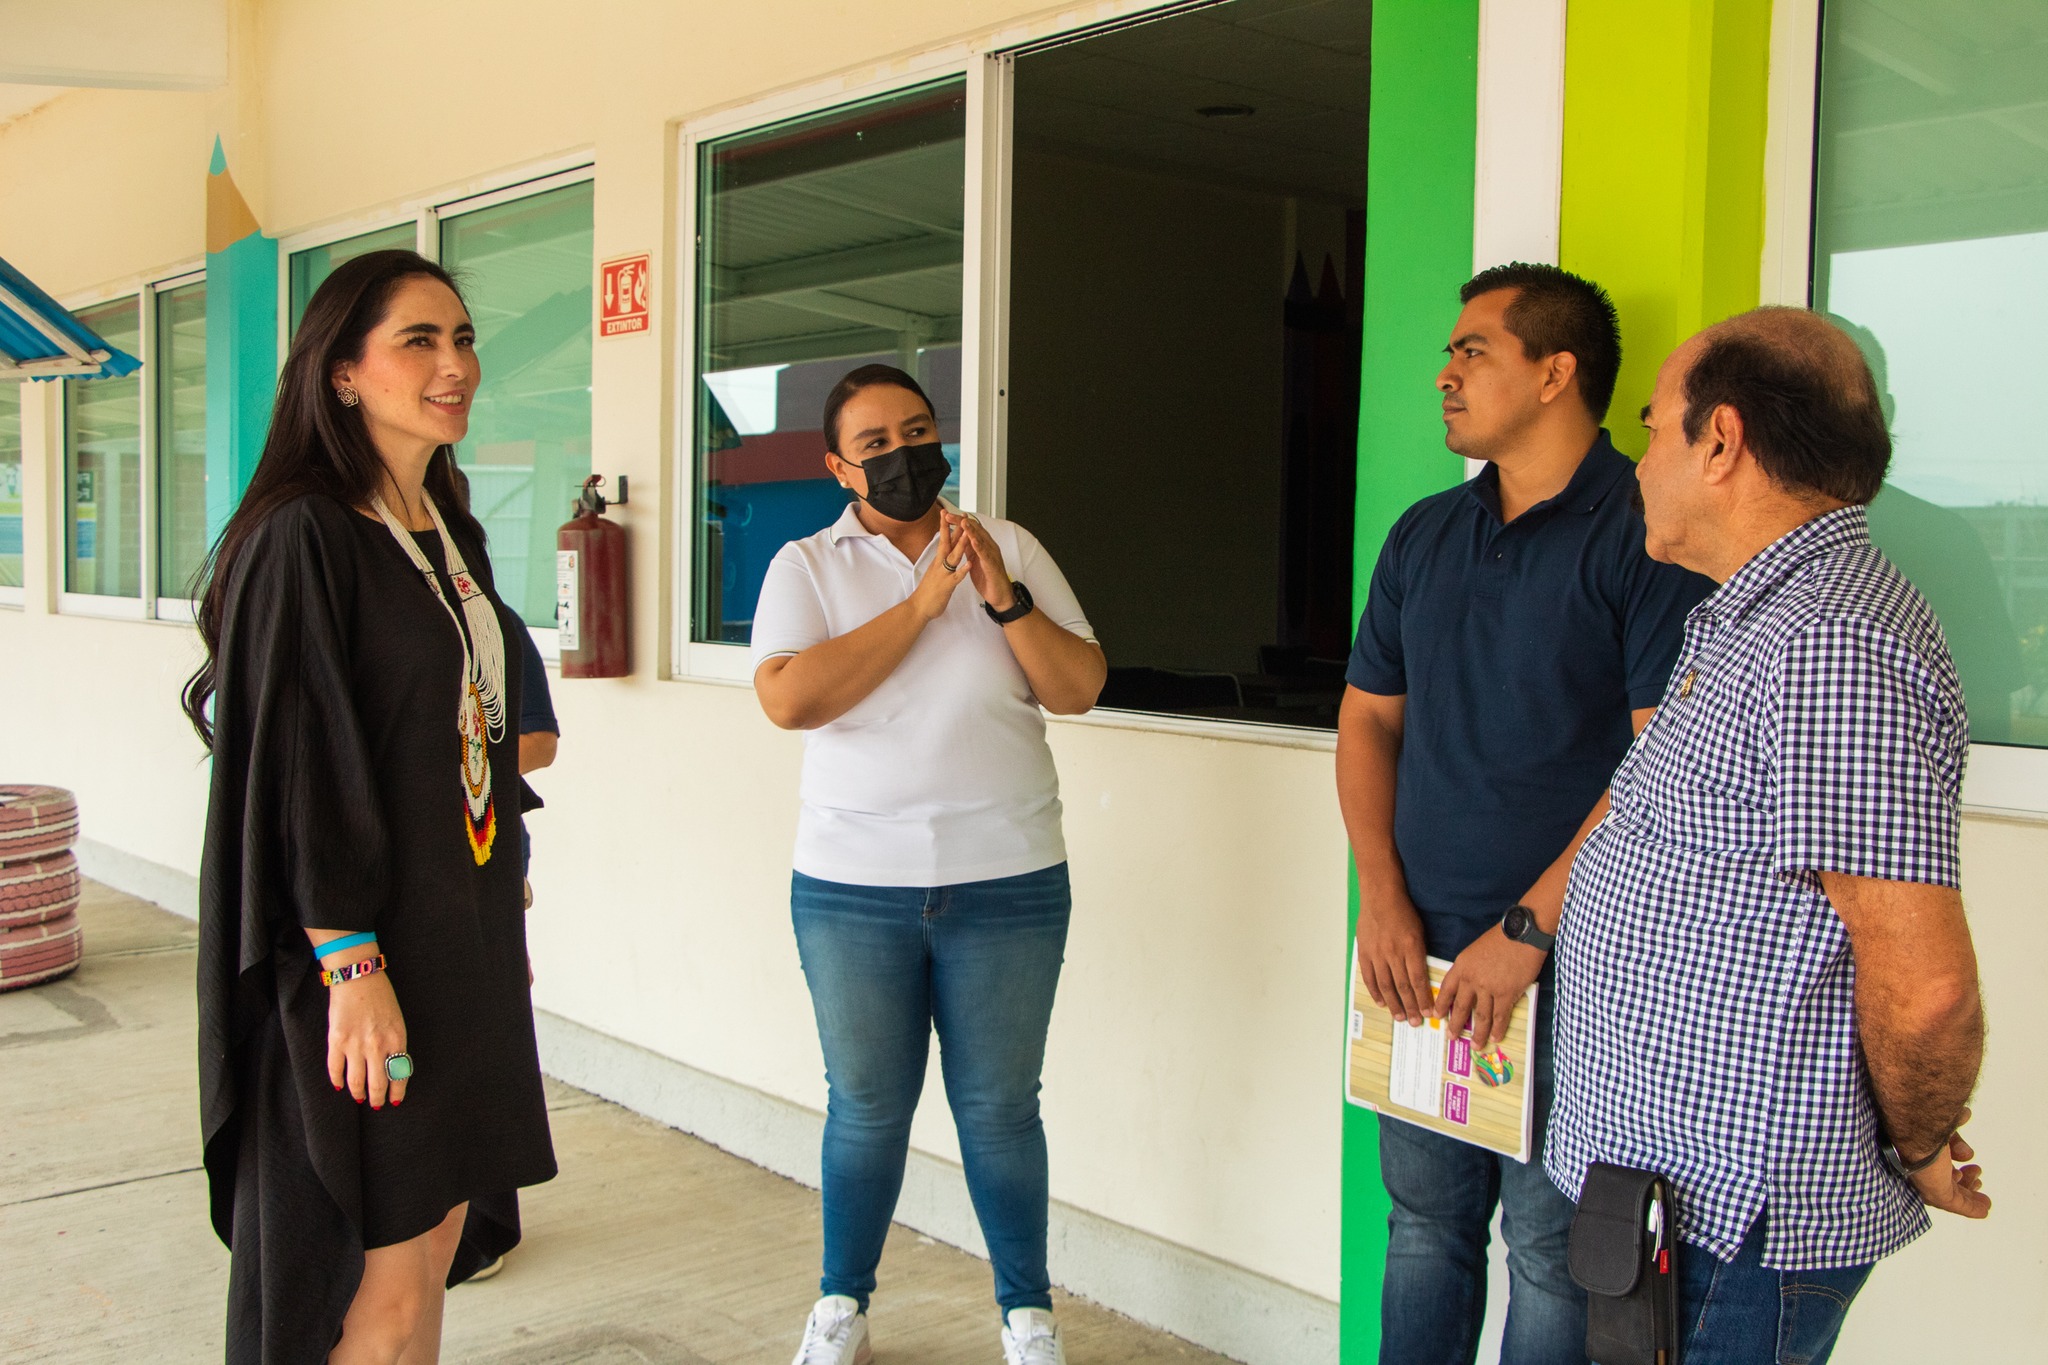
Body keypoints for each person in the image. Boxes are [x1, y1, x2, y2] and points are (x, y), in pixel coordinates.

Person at [1545, 307, 1989, 1364]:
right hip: (1668, 1204)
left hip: (1733, 1233)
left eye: (1652, 429)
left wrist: (1919, 1138)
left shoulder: (1828, 641)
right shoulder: (1754, 618)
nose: (1638, 463)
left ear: (1721, 440)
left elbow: (1926, 987)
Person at [184, 249, 556, 1365]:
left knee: (431, 1246)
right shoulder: (306, 534)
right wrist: (350, 964)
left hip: (460, 941)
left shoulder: (446, 530)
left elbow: (482, 726)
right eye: (419, 341)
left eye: (464, 338)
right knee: (371, 1275)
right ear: (342, 372)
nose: (456, 365)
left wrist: (497, 871)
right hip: (363, 959)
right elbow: (300, 769)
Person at [1336, 263, 1710, 1365]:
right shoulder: (1424, 533)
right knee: (1423, 1229)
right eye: (1449, 353)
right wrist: (1381, 898)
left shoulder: (1648, 535)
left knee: (1550, 1256)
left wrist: (1529, 929)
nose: (1444, 374)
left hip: (1575, 970)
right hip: (1418, 961)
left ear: (1555, 374)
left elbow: (1659, 765)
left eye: (1473, 350)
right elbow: (1368, 722)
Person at [749, 364, 1107, 1365]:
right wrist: (920, 603)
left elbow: (1078, 686)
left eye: (916, 432)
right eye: (874, 444)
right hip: (852, 889)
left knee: (1001, 1110)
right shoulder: (807, 565)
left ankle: (1027, 1318)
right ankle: (841, 1307)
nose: (903, 455)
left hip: (1010, 880)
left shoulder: (1007, 544)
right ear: (837, 467)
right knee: (867, 1109)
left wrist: (1000, 597)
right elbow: (788, 698)